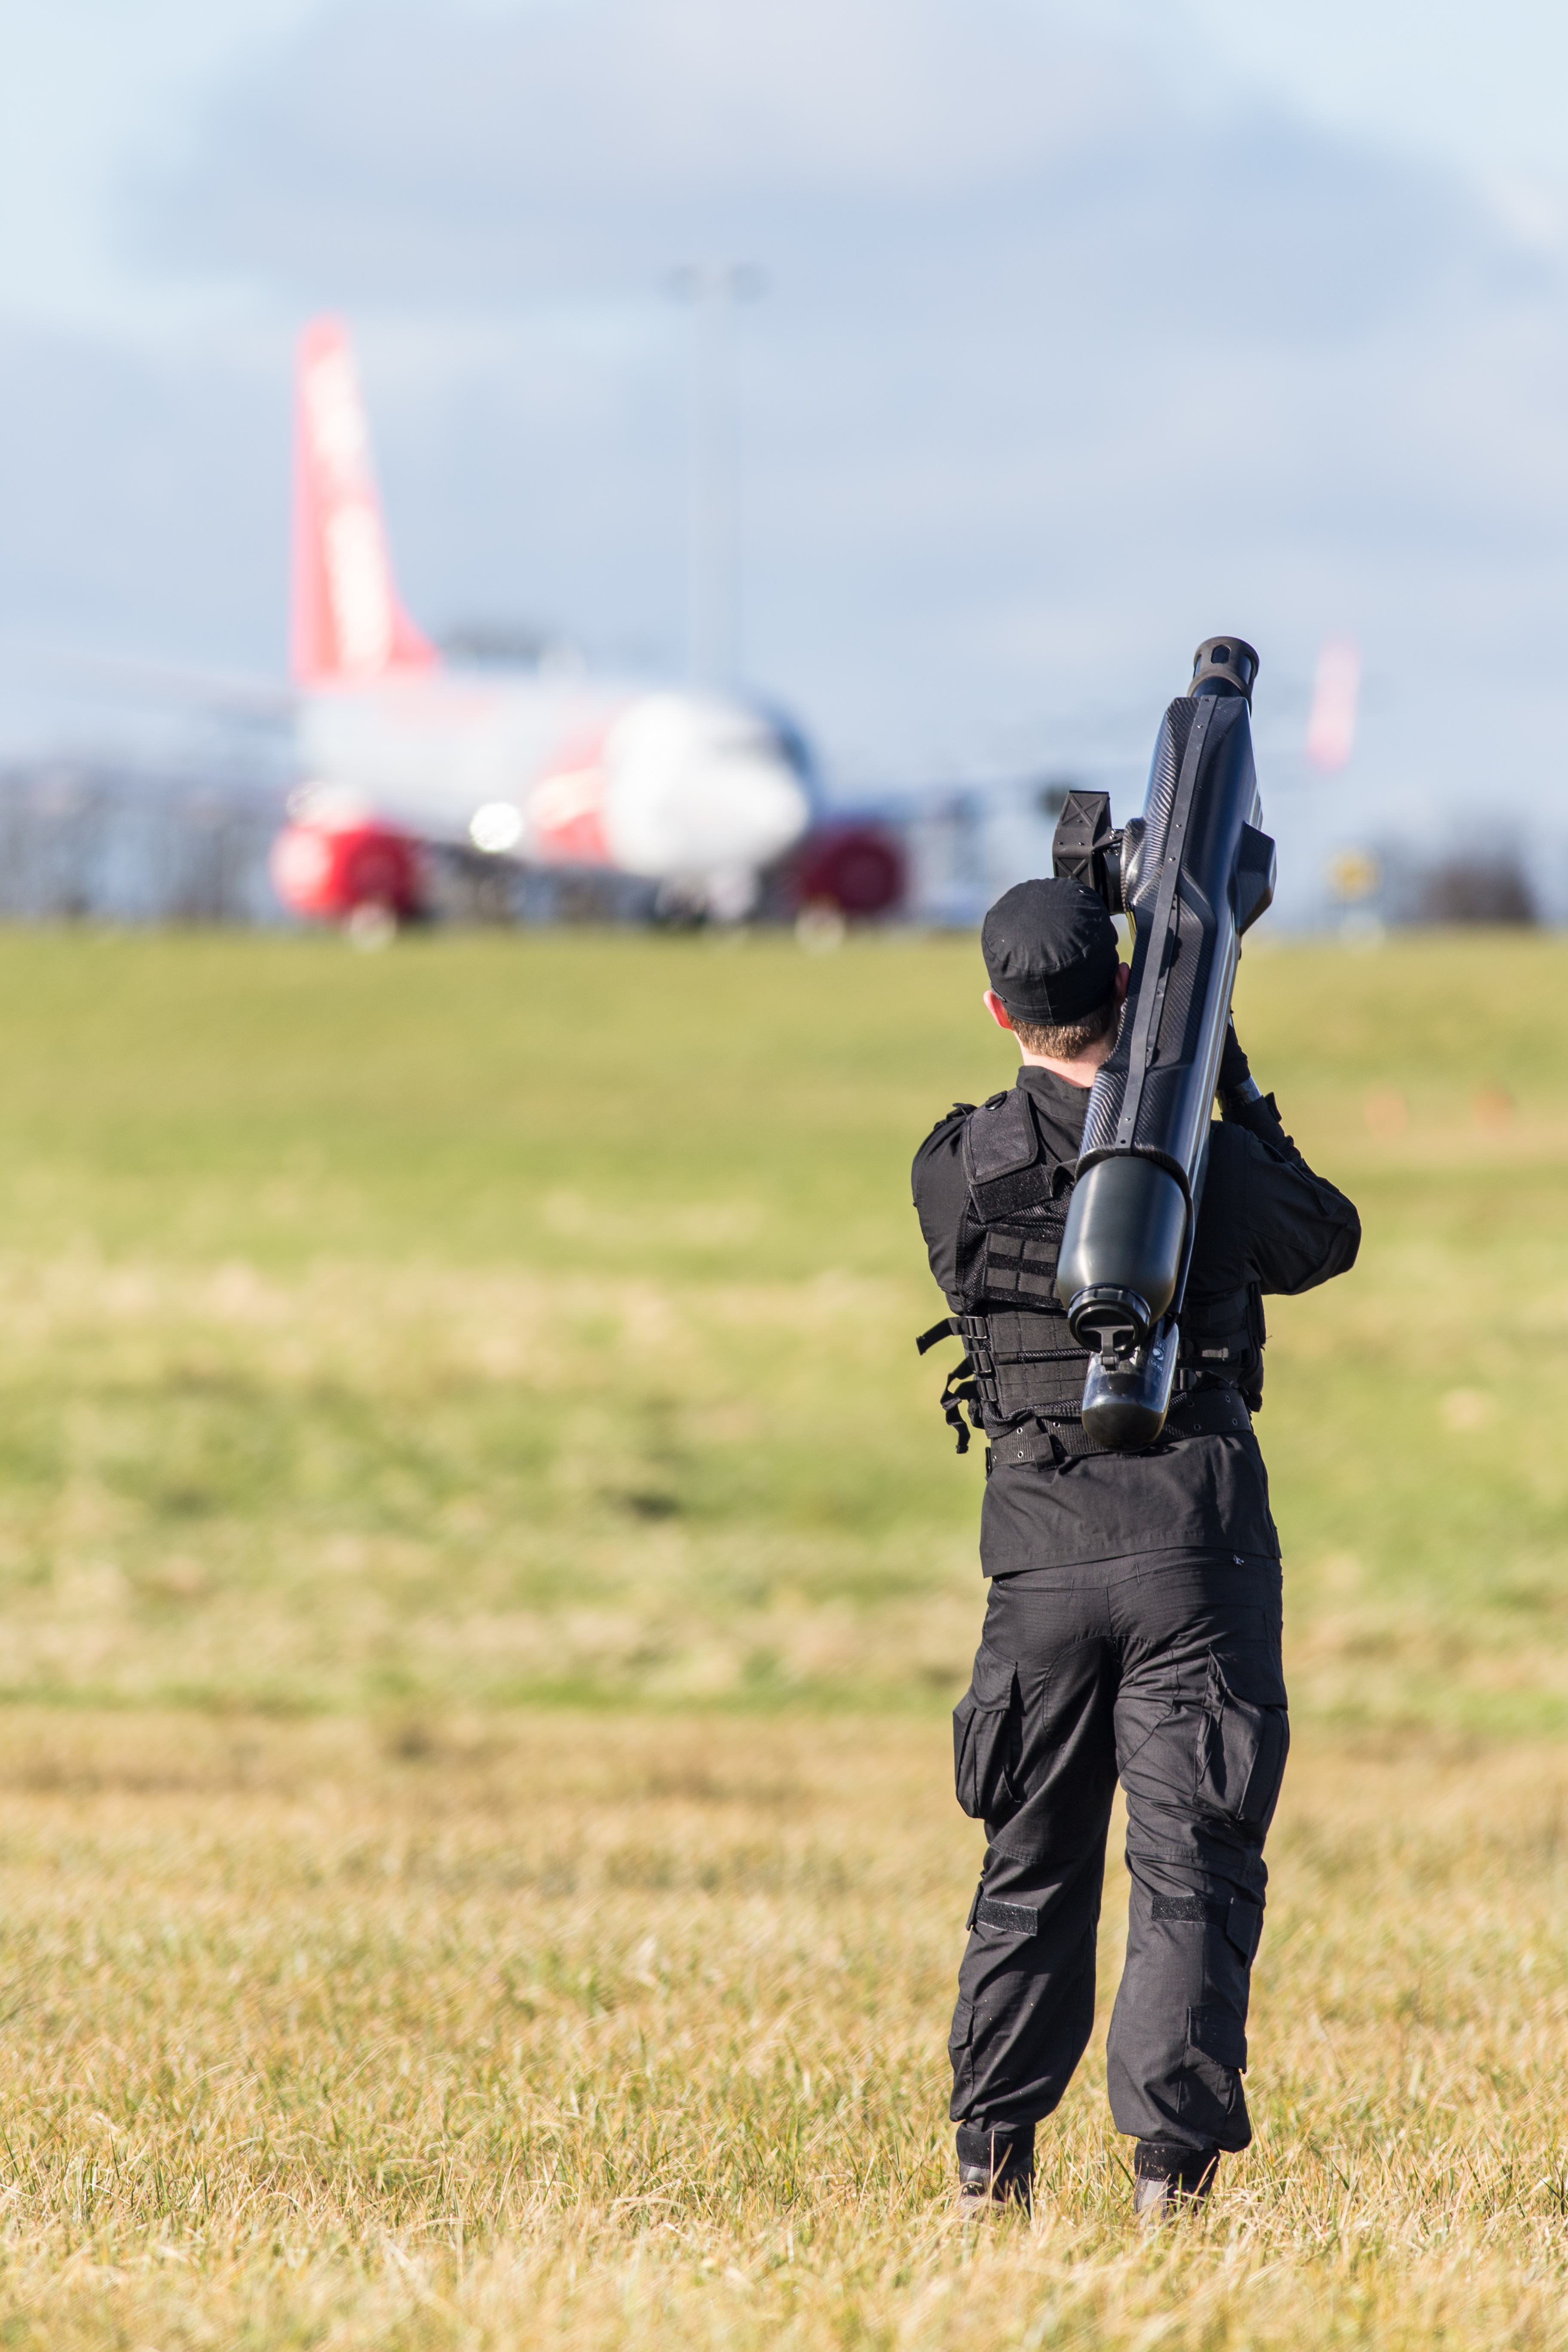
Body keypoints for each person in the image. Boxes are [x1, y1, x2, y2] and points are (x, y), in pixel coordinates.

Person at [913, 876, 1360, 2220]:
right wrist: (1226, 1080)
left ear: (999, 1009)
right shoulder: (1198, 1168)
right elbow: (1325, 1235)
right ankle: (1171, 2193)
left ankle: (992, 2178)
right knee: (1192, 1868)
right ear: (1128, 989)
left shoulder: (954, 1166)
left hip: (1037, 1560)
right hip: (1195, 1549)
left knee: (1029, 1868)